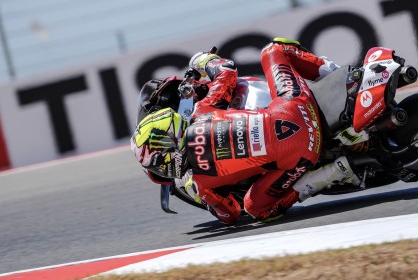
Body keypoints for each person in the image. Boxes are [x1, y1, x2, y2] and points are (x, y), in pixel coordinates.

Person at [131, 38, 360, 224]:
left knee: (255, 209)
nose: (163, 166)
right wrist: (203, 60)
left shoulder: (201, 184)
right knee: (274, 49)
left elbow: (230, 214)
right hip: (294, 106)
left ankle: (332, 172)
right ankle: (335, 75)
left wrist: (203, 196)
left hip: (302, 156)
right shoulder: (202, 110)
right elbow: (227, 70)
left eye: (159, 163)